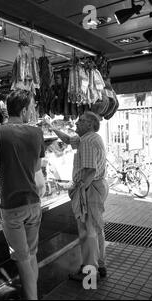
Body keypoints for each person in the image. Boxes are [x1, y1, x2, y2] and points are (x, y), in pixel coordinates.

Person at [0, 89, 46, 300]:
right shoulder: (37, 133)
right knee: (31, 255)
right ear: (23, 110)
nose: (33, 112)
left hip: (11, 206)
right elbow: (37, 169)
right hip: (33, 203)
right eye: (31, 108)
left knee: (22, 259)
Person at [45, 111, 108, 281]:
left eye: (81, 121)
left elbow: (89, 170)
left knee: (88, 232)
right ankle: (99, 265)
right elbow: (67, 139)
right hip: (96, 187)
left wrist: (78, 189)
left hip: (90, 188)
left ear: (90, 124)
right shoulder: (90, 138)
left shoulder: (87, 141)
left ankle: (89, 274)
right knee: (96, 228)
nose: (76, 124)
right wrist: (51, 128)